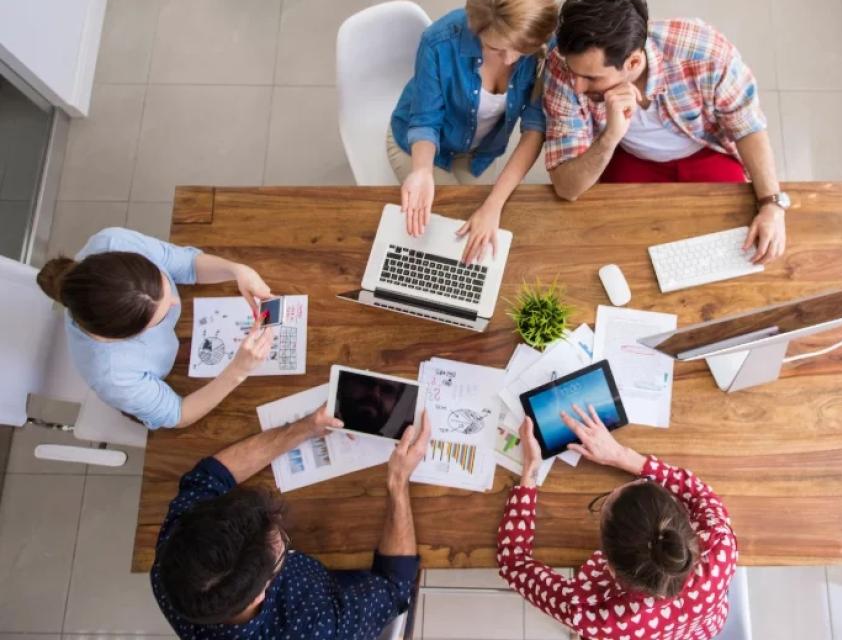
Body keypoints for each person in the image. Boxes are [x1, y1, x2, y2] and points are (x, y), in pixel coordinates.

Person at [543, 0, 788, 265]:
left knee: (735, 249)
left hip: (703, 150)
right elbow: (566, 188)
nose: (578, 86)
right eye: (575, 73)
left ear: (633, 63)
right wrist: (610, 136)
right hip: (626, 155)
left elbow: (748, 125)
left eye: (592, 78)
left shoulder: (705, 52)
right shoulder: (563, 68)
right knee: (615, 247)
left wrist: (772, 205)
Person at [152, 406, 430, 639]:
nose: (281, 531)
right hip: (338, 589)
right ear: (259, 595)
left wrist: (305, 427)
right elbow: (395, 587)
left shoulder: (172, 562)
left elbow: (210, 476)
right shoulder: (321, 627)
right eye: (281, 546)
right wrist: (398, 481)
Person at [497, 405, 737, 639]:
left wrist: (530, 471)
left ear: (608, 565)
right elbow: (700, 494)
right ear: (680, 519)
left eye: (603, 503)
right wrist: (621, 456)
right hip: (701, 630)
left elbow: (513, 562)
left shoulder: (590, 614)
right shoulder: (720, 545)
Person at [389, 0, 557, 264]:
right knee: (449, 233)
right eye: (496, 48)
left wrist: (494, 204)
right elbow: (425, 121)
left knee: (482, 222)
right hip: (420, 145)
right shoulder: (437, 42)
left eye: (522, 49)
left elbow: (534, 128)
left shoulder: (542, 42)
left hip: (480, 151)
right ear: (474, 27)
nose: (511, 60)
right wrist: (422, 171)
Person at [36, 227, 274, 430]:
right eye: (159, 319)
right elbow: (179, 414)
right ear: (126, 337)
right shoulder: (113, 375)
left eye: (164, 283)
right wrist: (238, 371)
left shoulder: (114, 241)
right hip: (165, 384)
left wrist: (238, 271)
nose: (176, 302)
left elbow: (186, 264)